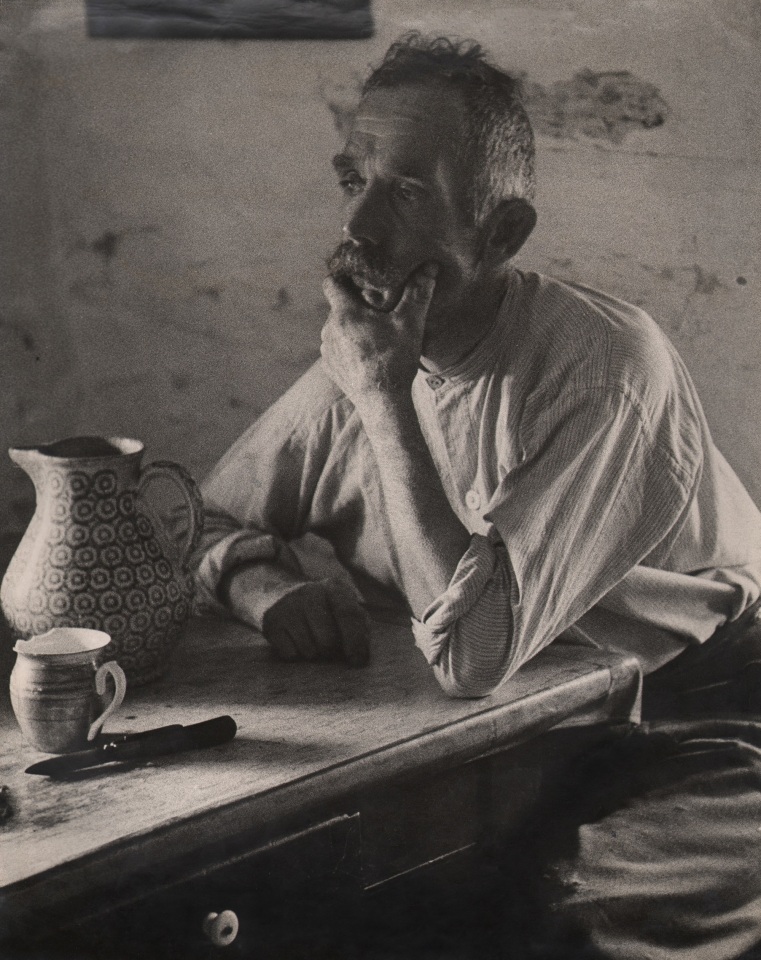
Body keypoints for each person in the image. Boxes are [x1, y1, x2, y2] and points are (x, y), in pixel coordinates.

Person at [190, 33, 761, 960]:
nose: (360, 229)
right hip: (502, 739)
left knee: (580, 934)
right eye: (353, 180)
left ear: (500, 234)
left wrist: (383, 402)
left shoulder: (602, 365)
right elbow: (196, 515)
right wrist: (265, 589)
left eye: (408, 192)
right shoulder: (364, 360)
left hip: (697, 723)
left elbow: (468, 657)